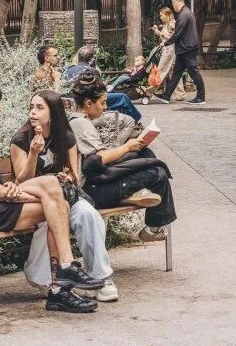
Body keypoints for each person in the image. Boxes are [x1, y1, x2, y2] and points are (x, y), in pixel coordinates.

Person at [0, 79, 104, 313]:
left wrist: (12, 190)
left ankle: (63, 274)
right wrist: (14, 193)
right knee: (54, 203)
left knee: (55, 196)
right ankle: (60, 283)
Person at [12, 91, 118, 302]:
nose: (33, 112)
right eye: (31, 107)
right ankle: (44, 278)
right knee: (49, 221)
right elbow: (21, 181)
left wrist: (67, 177)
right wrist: (33, 153)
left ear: (53, 112)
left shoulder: (66, 137)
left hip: (66, 196)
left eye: (40, 108)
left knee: (88, 214)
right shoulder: (21, 139)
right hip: (35, 201)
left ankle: (101, 277)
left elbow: (74, 175)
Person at [70, 70, 176, 242]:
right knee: (158, 174)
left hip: (96, 183)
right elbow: (99, 159)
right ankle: (153, 228)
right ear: (89, 103)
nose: (105, 108)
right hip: (91, 191)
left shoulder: (81, 120)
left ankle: (142, 201)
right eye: (103, 103)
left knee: (145, 154)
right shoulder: (81, 124)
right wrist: (126, 147)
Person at [64, 45, 142, 120]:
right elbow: (99, 91)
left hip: (74, 102)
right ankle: (135, 121)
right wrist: (105, 84)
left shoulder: (67, 70)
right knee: (122, 97)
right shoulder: (92, 70)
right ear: (93, 59)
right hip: (91, 102)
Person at [154, 0, 205, 105]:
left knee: (193, 72)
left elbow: (177, 33)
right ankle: (166, 96)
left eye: (173, 5)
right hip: (185, 48)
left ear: (177, 3)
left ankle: (201, 97)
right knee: (177, 73)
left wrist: (165, 43)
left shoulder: (183, 14)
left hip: (187, 48)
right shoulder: (187, 12)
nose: (173, 7)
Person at [153, 7, 185, 101]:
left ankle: (149, 91)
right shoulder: (167, 24)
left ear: (167, 15)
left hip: (169, 51)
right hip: (169, 50)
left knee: (160, 70)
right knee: (173, 73)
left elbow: (171, 38)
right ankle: (180, 94)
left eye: (161, 15)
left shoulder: (172, 24)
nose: (160, 17)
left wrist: (159, 33)